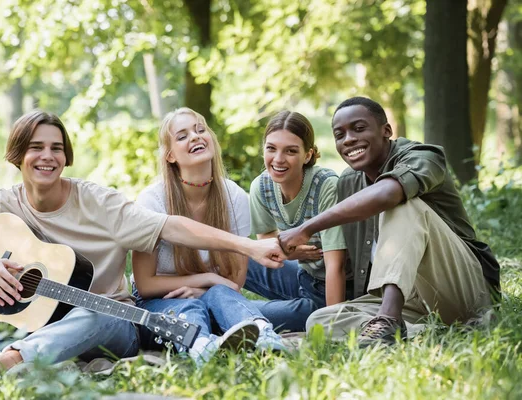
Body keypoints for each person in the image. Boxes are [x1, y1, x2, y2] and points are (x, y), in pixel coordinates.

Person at [0, 110, 285, 376]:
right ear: (17, 155)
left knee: (95, 311)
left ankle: (13, 362)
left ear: (66, 157)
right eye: (36, 147)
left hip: (111, 323)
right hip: (39, 326)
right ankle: (36, 361)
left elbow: (172, 227)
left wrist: (247, 246)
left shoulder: (98, 202)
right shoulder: (3, 205)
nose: (47, 156)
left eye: (56, 148)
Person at [278, 97, 500, 347]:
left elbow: (388, 194)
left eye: (359, 128)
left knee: (404, 203)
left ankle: (389, 320)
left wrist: (307, 228)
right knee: (320, 321)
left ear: (386, 131)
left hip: (462, 287)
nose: (348, 139)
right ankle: (434, 332)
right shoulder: (349, 183)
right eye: (339, 135)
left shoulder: (424, 156)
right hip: (413, 301)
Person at [132, 107, 286, 367]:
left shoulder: (234, 197)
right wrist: (209, 278)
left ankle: (264, 337)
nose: (195, 137)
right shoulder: (153, 200)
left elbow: (234, 282)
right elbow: (145, 284)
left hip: (218, 295)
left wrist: (205, 289)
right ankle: (203, 348)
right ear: (169, 155)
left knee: (221, 296)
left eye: (200, 130)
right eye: (182, 136)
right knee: (191, 309)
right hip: (160, 302)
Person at [244, 110, 351, 331]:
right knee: (231, 255)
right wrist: (295, 253)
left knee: (244, 317)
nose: (278, 159)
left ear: (308, 155)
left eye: (291, 151)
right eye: (271, 148)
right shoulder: (261, 187)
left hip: (333, 292)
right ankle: (200, 294)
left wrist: (332, 324)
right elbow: (267, 246)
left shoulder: (326, 185)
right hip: (303, 275)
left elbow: (336, 266)